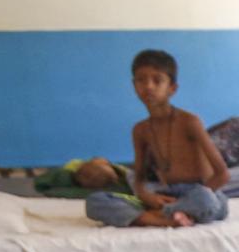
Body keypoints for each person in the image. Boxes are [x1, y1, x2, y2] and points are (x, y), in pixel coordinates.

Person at [85, 48, 231, 230]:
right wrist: (146, 196)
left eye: (157, 80)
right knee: (95, 201)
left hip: (200, 192)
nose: (148, 87)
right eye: (141, 80)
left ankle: (155, 216)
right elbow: (139, 177)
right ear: (134, 85)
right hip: (164, 193)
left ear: (172, 88)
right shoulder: (141, 130)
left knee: (207, 202)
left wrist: (185, 200)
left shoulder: (190, 121)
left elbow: (223, 174)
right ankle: (167, 219)